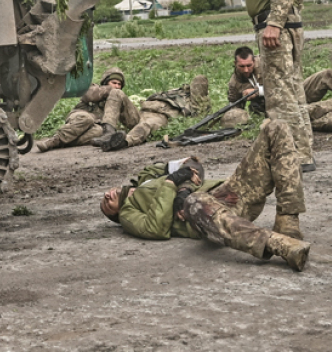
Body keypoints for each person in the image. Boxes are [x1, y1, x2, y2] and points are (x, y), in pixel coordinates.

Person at [99, 118, 310, 271]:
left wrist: (182, 187)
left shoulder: (146, 176)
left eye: (105, 197)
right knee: (194, 202)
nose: (107, 198)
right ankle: (280, 245)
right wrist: (174, 184)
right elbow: (156, 228)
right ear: (116, 215)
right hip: (204, 214)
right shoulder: (129, 213)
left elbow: (192, 164)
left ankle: (288, 220)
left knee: (276, 127)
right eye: (107, 207)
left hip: (229, 193)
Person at [242, 0, 315, 171]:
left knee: (281, 94)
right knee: (290, 89)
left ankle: (293, 155)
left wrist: (274, 23)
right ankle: (302, 153)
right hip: (281, 25)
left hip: (276, 28)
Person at [35, 67, 141, 152]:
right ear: (106, 82)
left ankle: (60, 142)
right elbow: (90, 95)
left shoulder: (117, 98)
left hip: (96, 127)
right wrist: (109, 90)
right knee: (87, 118)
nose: (117, 86)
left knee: (98, 132)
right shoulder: (95, 88)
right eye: (114, 82)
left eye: (119, 84)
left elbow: (129, 119)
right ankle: (53, 140)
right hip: (80, 116)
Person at [99, 76, 209, 151]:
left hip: (160, 116)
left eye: (199, 85)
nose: (196, 86)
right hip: (142, 111)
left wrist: (200, 100)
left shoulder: (199, 103)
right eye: (195, 84)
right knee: (116, 92)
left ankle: (124, 141)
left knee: (146, 125)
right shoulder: (176, 91)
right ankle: (108, 132)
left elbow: (201, 116)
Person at [216, 46, 266, 128]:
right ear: (235, 63)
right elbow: (234, 105)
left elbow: (280, 88)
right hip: (259, 107)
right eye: (242, 66)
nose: (246, 70)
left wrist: (257, 92)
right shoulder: (234, 83)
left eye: (249, 65)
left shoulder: (265, 64)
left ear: (254, 61)